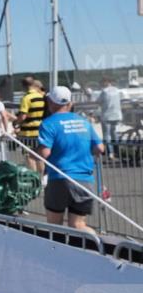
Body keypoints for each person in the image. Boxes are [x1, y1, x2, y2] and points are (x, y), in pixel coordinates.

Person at [38, 86, 105, 233]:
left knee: (55, 226)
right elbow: (99, 148)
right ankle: (96, 243)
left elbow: (44, 153)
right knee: (78, 225)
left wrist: (34, 153)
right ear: (70, 103)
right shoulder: (84, 121)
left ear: (50, 102)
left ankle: (58, 248)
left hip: (59, 177)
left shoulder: (48, 123)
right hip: (84, 179)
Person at [15, 76, 47, 173]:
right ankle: (42, 178)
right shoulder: (41, 97)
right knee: (39, 156)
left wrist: (15, 122)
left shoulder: (26, 98)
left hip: (28, 132)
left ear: (23, 86)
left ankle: (34, 176)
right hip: (40, 130)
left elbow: (23, 116)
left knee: (29, 155)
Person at [97, 77, 123, 158]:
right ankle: (117, 151)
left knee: (106, 135)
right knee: (114, 133)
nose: (101, 85)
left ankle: (110, 152)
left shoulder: (104, 91)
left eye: (102, 83)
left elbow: (98, 101)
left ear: (105, 82)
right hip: (117, 115)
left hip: (107, 116)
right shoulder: (117, 90)